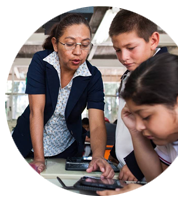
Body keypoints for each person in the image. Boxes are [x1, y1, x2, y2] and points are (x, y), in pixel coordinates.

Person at [11, 14, 114, 179]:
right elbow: (36, 111)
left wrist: (98, 156)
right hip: (32, 144)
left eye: (85, 45)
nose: (78, 52)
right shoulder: (41, 62)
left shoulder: (93, 76)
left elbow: (96, 124)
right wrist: (39, 158)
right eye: (70, 44)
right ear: (55, 44)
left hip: (68, 147)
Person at [97, 53, 178, 196]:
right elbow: (156, 177)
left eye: (146, 116)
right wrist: (134, 131)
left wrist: (150, 196)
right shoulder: (173, 134)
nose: (139, 126)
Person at [108, 6, 167, 181]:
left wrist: (135, 164)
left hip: (149, 170)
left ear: (153, 40)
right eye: (118, 50)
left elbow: (167, 129)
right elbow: (126, 119)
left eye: (131, 47)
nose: (123, 57)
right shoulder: (130, 73)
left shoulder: (166, 74)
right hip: (125, 166)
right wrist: (115, 153)